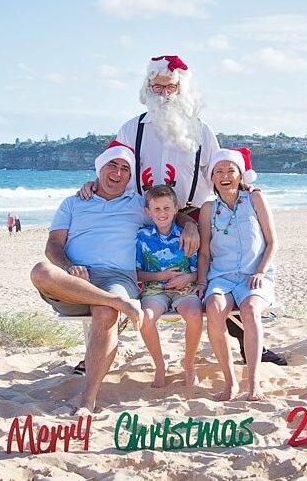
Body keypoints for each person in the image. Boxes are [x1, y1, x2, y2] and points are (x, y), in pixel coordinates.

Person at [78, 55, 286, 372]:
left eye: (169, 87)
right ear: (147, 88)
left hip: (188, 214)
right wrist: (93, 182)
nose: (163, 93)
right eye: (156, 86)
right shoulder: (131, 128)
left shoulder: (201, 131)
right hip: (142, 214)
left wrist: (238, 192)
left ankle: (250, 345)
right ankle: (97, 351)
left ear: (181, 89)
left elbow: (219, 173)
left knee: (217, 269)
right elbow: (113, 164)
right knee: (121, 269)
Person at [30, 145, 199, 413]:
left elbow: (166, 209)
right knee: (40, 270)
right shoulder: (73, 202)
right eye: (112, 166)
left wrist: (189, 224)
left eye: (125, 169)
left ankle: (87, 400)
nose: (118, 173)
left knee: (105, 311)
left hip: (117, 278)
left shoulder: (135, 203)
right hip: (75, 279)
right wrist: (69, 266)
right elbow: (53, 245)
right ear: (100, 168)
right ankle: (121, 304)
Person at [197, 148, 277, 402]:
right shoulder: (208, 209)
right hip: (221, 277)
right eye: (218, 171)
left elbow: (272, 242)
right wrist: (201, 281)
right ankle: (230, 383)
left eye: (230, 170)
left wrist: (261, 271)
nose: (224, 176)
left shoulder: (255, 200)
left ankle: (254, 384)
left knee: (250, 310)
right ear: (212, 177)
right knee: (214, 308)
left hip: (254, 275)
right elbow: (205, 252)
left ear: (240, 174)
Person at [136, 185, 203, 388]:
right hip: (154, 290)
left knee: (194, 315)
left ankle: (189, 364)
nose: (162, 213)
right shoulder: (142, 237)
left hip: (184, 288)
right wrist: (160, 275)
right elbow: (136, 272)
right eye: (156, 209)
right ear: (148, 211)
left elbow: (200, 269)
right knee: (145, 319)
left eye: (167, 208)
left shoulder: (188, 235)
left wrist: (188, 278)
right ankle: (159, 365)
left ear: (176, 209)